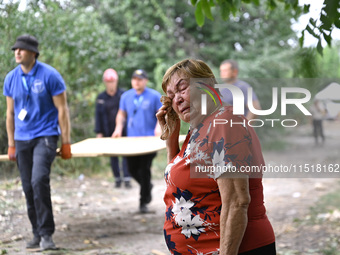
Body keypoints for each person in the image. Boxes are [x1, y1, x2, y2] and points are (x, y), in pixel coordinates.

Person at [156, 59, 276, 254]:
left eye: (182, 88)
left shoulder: (223, 123)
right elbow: (177, 185)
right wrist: (171, 135)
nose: (176, 99)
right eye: (171, 96)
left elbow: (237, 201)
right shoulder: (200, 127)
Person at [3, 34, 72, 251]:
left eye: (22, 49)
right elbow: (10, 113)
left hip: (46, 136)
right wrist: (11, 143)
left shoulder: (50, 75)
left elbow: (62, 110)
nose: (17, 52)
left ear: (33, 53)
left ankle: (46, 235)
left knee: (38, 180)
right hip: (22, 139)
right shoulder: (11, 78)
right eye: (15, 49)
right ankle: (36, 233)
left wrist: (66, 141)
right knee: (27, 187)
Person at [112, 69, 162, 213]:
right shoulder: (126, 96)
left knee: (144, 169)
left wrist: (159, 127)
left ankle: (143, 202)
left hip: (149, 140)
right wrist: (118, 128)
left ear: (145, 81)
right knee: (132, 169)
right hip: (131, 141)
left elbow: (161, 115)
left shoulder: (154, 96)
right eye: (134, 79)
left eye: (140, 79)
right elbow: (121, 114)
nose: (137, 82)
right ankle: (147, 186)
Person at [95, 68, 131, 188]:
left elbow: (128, 112)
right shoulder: (101, 98)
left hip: (124, 130)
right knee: (113, 156)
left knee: (126, 154)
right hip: (108, 130)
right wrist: (99, 132)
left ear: (116, 81)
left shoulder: (123, 95)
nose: (111, 84)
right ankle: (117, 179)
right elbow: (98, 116)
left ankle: (127, 178)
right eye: (108, 82)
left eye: (113, 81)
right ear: (105, 82)